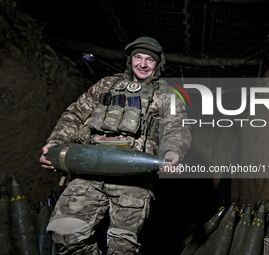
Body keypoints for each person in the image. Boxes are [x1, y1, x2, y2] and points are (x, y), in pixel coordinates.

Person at [39, 36, 191, 255]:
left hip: (134, 179)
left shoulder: (167, 95)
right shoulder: (106, 84)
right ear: (130, 60)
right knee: (66, 236)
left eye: (150, 59)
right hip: (88, 172)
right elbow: (75, 114)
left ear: (158, 64)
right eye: (138, 57)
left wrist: (173, 151)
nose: (143, 64)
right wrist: (55, 143)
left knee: (122, 247)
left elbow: (179, 128)